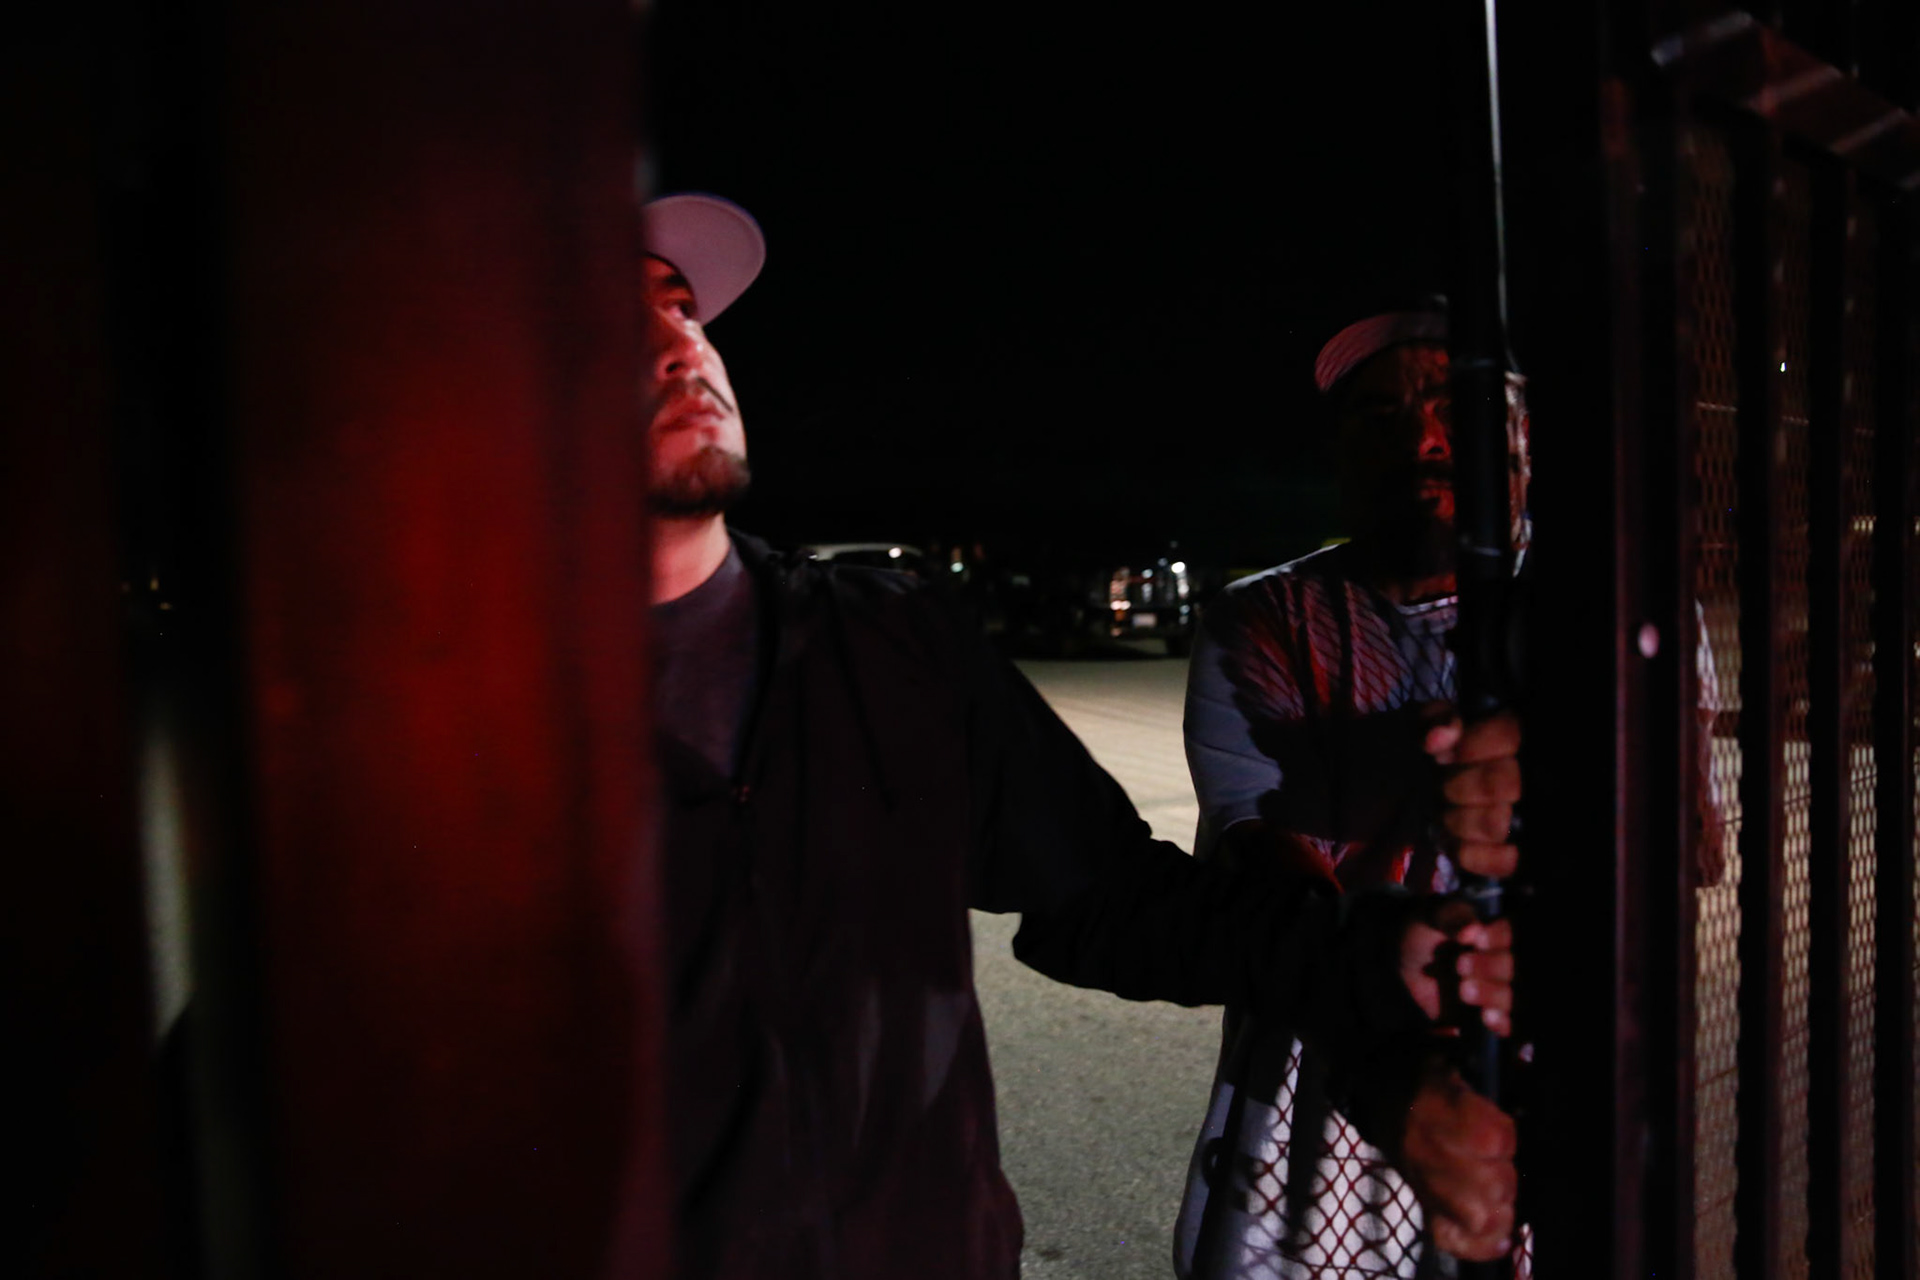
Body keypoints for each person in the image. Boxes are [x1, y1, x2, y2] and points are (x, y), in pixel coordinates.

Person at [641, 197, 1522, 1279]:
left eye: (684, 310)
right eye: (613, 320)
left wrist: (1381, 973)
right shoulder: (447, 729)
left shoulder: (888, 640)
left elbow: (1105, 899)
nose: (679, 345)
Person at [1173, 300, 1530, 1278]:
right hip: (1324, 1065)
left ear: (1524, 440)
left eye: (1458, 410)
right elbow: (1271, 857)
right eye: (1381, 416)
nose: (1422, 436)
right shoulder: (1265, 616)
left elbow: (1693, 849)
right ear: (1339, 452)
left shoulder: (1605, 612)